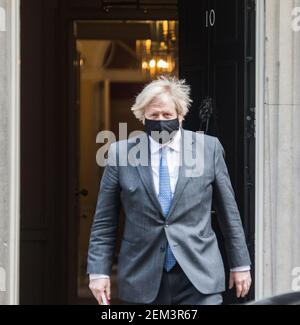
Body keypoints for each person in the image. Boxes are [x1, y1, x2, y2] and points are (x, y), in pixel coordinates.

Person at [87, 76, 251, 305]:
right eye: (154, 115)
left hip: (199, 275)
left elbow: (228, 213)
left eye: (167, 115)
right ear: (142, 116)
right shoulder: (119, 154)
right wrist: (98, 272)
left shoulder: (208, 148)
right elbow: (104, 220)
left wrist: (240, 264)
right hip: (142, 277)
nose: (161, 120)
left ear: (181, 116)